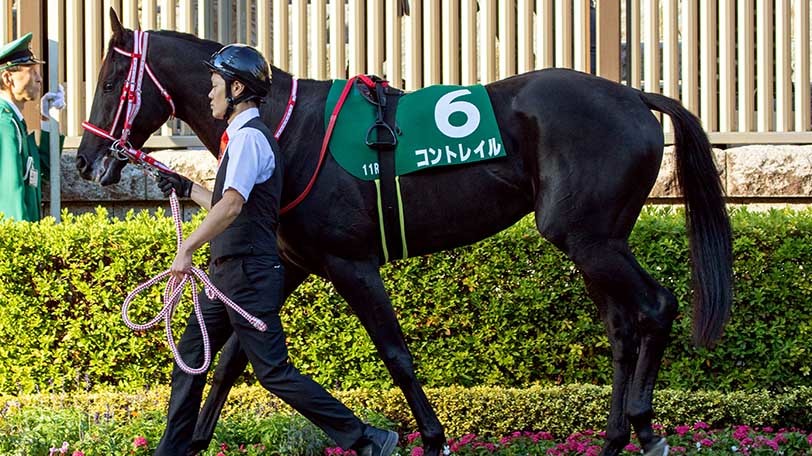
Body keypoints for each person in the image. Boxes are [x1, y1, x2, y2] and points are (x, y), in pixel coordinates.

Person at [152, 43, 399, 456]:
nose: (209, 94)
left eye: (214, 85)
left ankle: (367, 438)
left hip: (247, 276)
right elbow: (230, 201)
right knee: (190, 357)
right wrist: (187, 188)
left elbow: (231, 206)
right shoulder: (241, 139)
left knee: (274, 373)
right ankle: (173, 451)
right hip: (228, 276)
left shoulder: (249, 139)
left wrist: (187, 248)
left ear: (235, 89)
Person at [0, 32, 65, 221]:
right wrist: (24, 247)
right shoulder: (4, 124)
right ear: (7, 79)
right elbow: (9, 198)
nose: (39, 79)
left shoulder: (14, 121)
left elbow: (41, 171)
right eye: (32, 71)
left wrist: (47, 119)